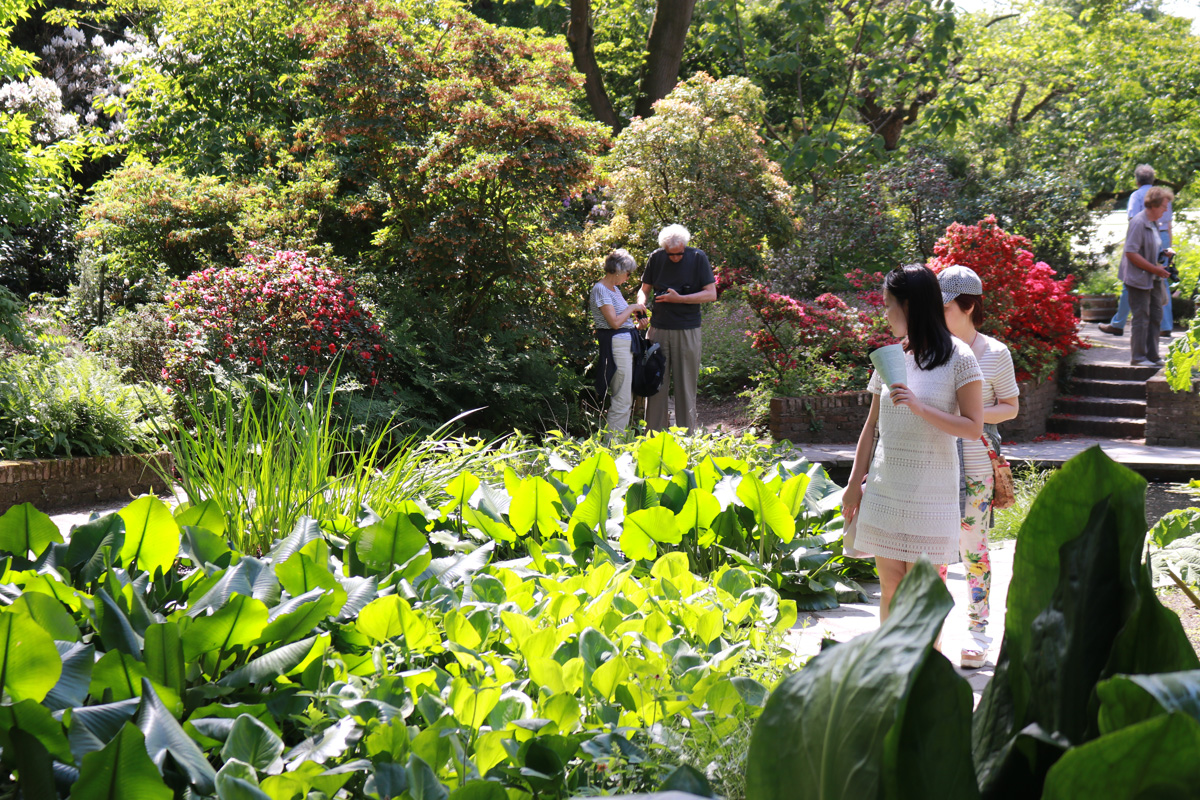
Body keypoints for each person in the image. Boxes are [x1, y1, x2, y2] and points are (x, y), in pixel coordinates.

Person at [842, 264, 984, 629]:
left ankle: (924, 678)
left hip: (930, 495)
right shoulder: (893, 357)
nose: (885, 313)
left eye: (889, 304)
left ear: (909, 305)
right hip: (885, 490)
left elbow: (973, 428)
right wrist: (853, 487)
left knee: (923, 596)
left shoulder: (959, 357)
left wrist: (921, 408)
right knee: (890, 587)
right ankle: (891, 674)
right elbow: (871, 426)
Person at [937, 265, 1020, 669]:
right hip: (934, 463)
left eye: (946, 307)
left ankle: (977, 633)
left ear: (968, 306)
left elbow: (1011, 406)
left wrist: (971, 415)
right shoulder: (932, 350)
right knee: (931, 551)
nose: (939, 315)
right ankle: (926, 633)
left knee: (974, 550)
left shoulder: (995, 353)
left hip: (976, 466)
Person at [636, 224, 717, 433]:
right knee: (655, 385)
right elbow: (643, 289)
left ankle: (687, 439)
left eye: (679, 254)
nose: (675, 258)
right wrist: (641, 305)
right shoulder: (656, 257)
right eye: (670, 254)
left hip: (687, 330)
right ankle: (653, 438)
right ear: (664, 249)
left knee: (685, 387)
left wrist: (680, 299)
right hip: (658, 330)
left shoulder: (698, 258)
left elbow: (711, 294)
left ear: (685, 247)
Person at [1099, 164, 1174, 337]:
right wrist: (1168, 245)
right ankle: (1165, 325)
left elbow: (1133, 221)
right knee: (1163, 278)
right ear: (1153, 178)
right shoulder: (1163, 196)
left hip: (1143, 237)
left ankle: (1118, 323)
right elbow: (1168, 224)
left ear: (1137, 180)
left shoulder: (1136, 195)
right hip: (1161, 237)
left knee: (1130, 279)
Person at [590, 249, 646, 436]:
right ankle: (612, 447)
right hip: (615, 346)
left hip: (626, 343)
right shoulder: (600, 289)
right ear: (619, 270)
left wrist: (639, 326)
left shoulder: (615, 290)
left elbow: (622, 324)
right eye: (628, 273)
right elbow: (614, 323)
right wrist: (632, 307)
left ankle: (616, 444)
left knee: (625, 398)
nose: (628, 277)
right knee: (622, 399)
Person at [1119, 186, 1174, 367]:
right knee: (1141, 317)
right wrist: (1155, 269)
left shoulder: (1154, 224)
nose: (1166, 210)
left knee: (1156, 315)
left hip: (1153, 278)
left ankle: (1153, 356)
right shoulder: (1138, 222)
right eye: (1164, 206)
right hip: (1139, 278)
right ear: (1154, 204)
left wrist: (1163, 253)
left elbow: (1150, 248)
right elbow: (1131, 253)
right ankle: (1138, 357)